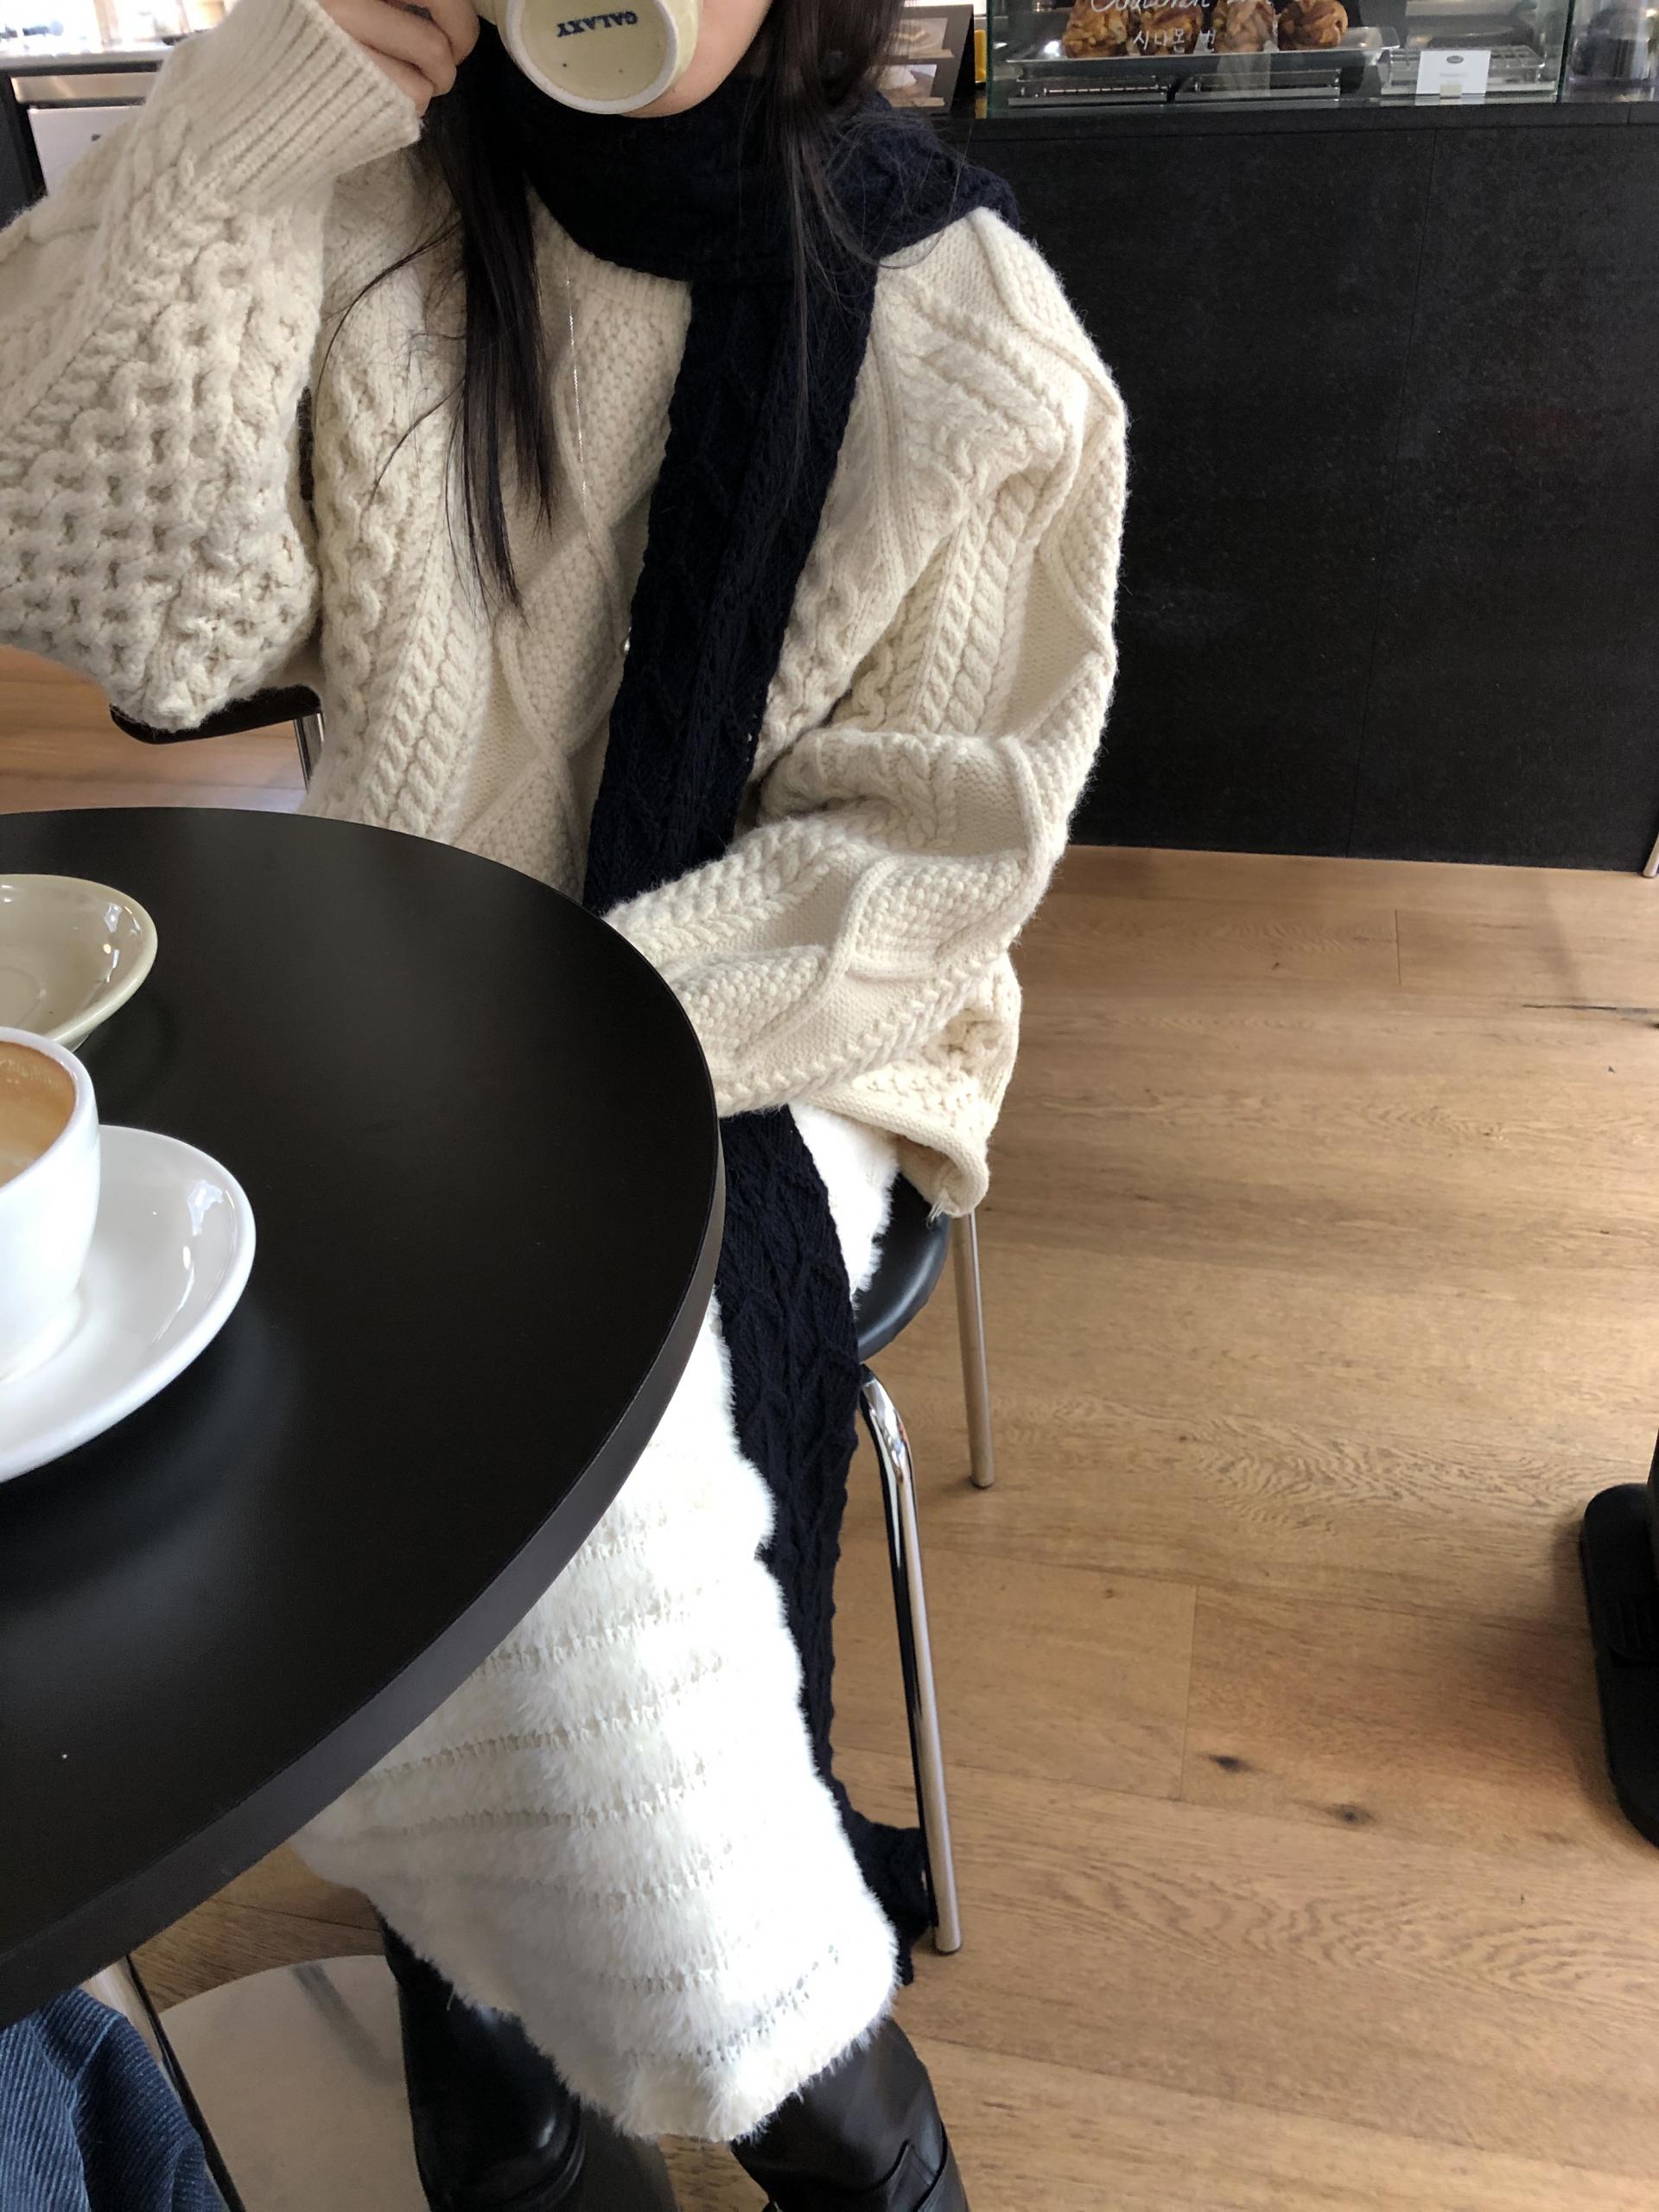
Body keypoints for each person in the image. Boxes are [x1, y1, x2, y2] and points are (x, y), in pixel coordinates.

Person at [0, 0, 1126, 2202]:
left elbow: (925, 864)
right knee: (172, 1338)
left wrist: (551, 1050)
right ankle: (571, 1998)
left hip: (793, 1029)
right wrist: (249, 118)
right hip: (417, 995)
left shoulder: (981, 337)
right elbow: (110, 595)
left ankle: (763, 2044)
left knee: (542, 1401)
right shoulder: (385, 218)